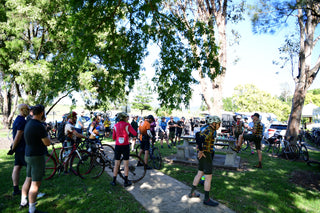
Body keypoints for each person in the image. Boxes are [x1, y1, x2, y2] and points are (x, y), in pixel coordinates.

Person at [19, 104, 51, 213]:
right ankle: (32, 209)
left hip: (28, 155)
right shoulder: (39, 125)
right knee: (35, 183)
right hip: (37, 156)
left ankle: (23, 201)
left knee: (28, 178)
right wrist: (47, 133)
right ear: (41, 113)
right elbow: (47, 143)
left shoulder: (29, 123)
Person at [189, 115, 221, 207]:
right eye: (218, 123)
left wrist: (199, 150)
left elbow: (197, 135)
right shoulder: (210, 130)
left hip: (204, 154)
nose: (219, 125)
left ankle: (192, 193)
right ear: (213, 123)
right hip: (206, 154)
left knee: (199, 174)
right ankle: (206, 199)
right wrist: (201, 150)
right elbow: (200, 138)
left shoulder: (207, 129)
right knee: (208, 177)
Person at [7, 104, 30, 196]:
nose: (28, 111)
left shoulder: (17, 119)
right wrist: (13, 148)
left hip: (18, 149)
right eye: (26, 109)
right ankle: (29, 189)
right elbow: (18, 135)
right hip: (22, 149)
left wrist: (13, 147)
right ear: (22, 110)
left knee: (17, 167)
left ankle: (16, 189)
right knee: (31, 169)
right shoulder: (21, 121)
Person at [110, 112, 137, 187]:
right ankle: (125, 181)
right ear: (125, 118)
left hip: (118, 146)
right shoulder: (127, 125)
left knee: (116, 164)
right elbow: (134, 133)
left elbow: (113, 138)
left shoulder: (115, 125)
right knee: (126, 165)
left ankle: (114, 181)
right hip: (125, 145)